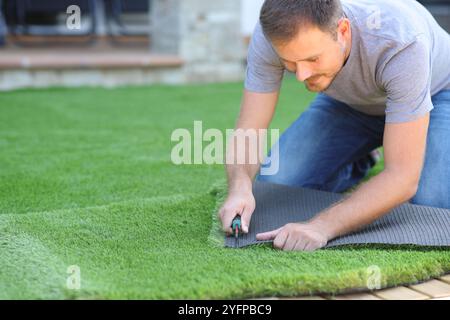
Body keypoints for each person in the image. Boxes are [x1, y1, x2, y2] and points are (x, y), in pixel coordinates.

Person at [218, 0, 450, 251]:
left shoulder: (401, 42)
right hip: (351, 105)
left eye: (312, 59)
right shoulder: (272, 35)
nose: (302, 75)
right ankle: (360, 159)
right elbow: (249, 130)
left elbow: (403, 178)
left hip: (438, 96)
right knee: (277, 180)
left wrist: (321, 227)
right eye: (291, 63)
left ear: (343, 31)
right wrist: (240, 187)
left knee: (431, 203)